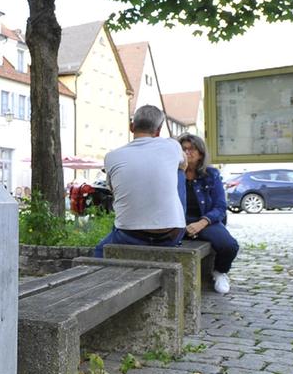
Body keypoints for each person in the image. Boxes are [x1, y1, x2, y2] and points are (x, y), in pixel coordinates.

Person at [93, 105, 186, 257]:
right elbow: (184, 163)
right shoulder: (172, 146)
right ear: (158, 131)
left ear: (131, 126)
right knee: (179, 171)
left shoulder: (111, 156)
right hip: (171, 234)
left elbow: (113, 190)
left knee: (99, 252)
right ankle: (180, 219)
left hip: (129, 235)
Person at [179, 133, 240, 294]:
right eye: (183, 149)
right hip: (178, 221)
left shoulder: (211, 175)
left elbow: (220, 207)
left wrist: (201, 224)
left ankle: (220, 272)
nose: (187, 152)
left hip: (205, 220)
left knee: (229, 246)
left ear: (201, 154)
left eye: (191, 149)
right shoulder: (173, 174)